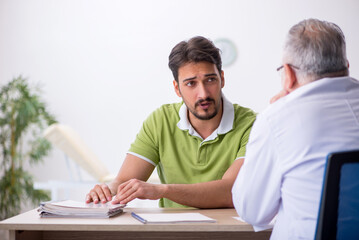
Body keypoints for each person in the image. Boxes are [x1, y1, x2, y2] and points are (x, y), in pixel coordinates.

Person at [86, 36, 256, 208]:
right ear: (177, 88)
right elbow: (123, 182)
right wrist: (107, 190)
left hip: (227, 232)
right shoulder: (160, 121)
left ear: (222, 79)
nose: (203, 93)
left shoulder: (251, 125)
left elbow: (231, 191)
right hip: (172, 232)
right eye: (191, 83)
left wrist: (163, 190)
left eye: (210, 80)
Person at [232, 18, 359, 239]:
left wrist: (274, 112)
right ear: (346, 66)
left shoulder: (277, 118)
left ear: (288, 74)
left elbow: (252, 211)